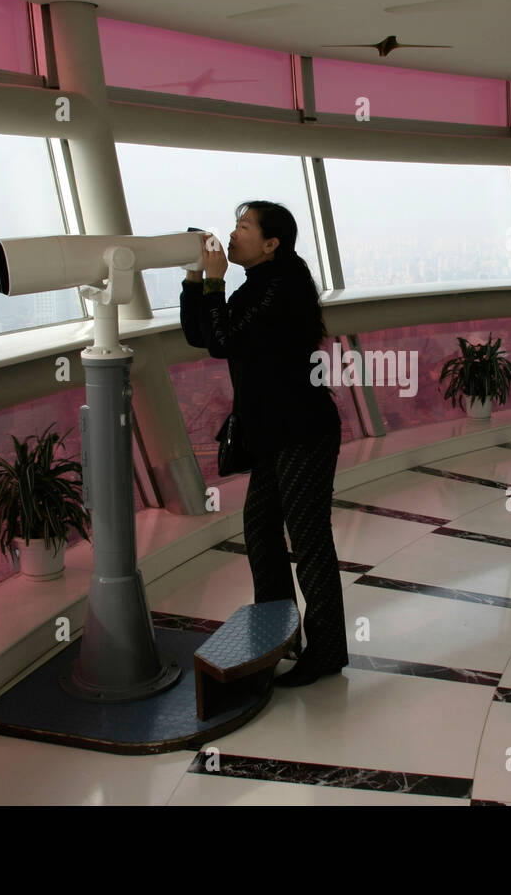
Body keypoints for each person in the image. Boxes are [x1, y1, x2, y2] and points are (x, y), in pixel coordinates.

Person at [179, 200, 348, 687]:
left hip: (302, 433)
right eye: (236, 224)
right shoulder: (260, 283)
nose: (233, 234)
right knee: (261, 534)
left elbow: (222, 337)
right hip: (274, 434)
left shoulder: (281, 287)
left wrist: (212, 282)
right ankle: (277, 633)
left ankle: (328, 652)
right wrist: (197, 281)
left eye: (244, 226)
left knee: (309, 541)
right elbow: (202, 333)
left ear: (271, 243)